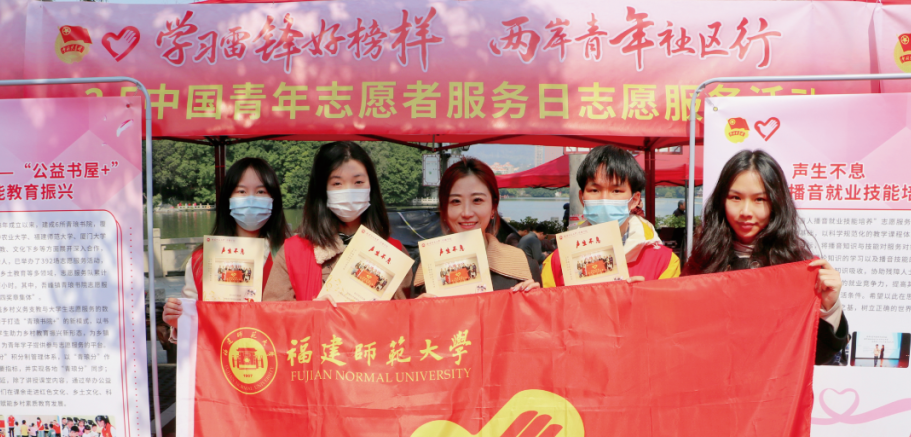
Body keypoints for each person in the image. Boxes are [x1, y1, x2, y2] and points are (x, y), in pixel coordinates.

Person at [682, 150, 848, 366]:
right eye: (735, 198)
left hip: (773, 386)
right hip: (713, 382)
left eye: (759, 199)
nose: (745, 211)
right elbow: (679, 333)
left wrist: (829, 306)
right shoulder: (703, 260)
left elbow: (819, 356)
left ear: (777, 203)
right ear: (721, 200)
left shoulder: (799, 267)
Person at [264, 141, 411, 301]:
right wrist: (312, 310)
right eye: (337, 183)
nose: (349, 191)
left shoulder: (394, 253)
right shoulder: (292, 252)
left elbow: (405, 313)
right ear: (322, 190)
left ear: (371, 186)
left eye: (358, 182)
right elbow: (272, 312)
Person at [163, 157, 290, 330]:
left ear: (273, 198)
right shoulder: (201, 260)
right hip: (221, 346)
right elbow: (193, 320)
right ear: (228, 198)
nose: (251, 199)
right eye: (241, 191)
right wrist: (178, 321)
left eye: (261, 191)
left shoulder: (289, 255)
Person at [542, 146, 681, 287]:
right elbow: (548, 301)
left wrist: (644, 297)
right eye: (594, 190)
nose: (604, 199)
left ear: (635, 200)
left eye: (616, 191)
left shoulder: (664, 262)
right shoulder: (556, 263)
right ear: (582, 198)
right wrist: (532, 295)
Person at [413, 158, 540, 293]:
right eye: (456, 201)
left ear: (493, 207)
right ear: (444, 209)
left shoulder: (524, 265)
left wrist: (535, 300)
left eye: (477, 200)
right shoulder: (423, 269)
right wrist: (418, 305)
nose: (467, 213)